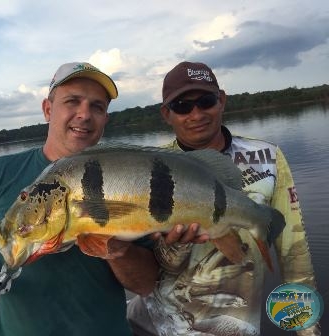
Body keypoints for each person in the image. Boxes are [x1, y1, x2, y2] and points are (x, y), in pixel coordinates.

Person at [0, 62, 165, 336]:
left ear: (105, 120)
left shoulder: (131, 178)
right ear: (48, 109)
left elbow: (146, 284)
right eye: (72, 101)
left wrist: (117, 249)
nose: (84, 115)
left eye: (97, 107)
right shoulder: (0, 173)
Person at [127, 61, 321, 336]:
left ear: (221, 100)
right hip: (161, 326)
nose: (196, 114)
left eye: (205, 101)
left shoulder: (268, 158)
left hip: (239, 326)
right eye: (182, 106)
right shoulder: (149, 169)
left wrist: (307, 328)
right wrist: (173, 249)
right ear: (166, 113)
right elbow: (148, 267)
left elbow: (294, 250)